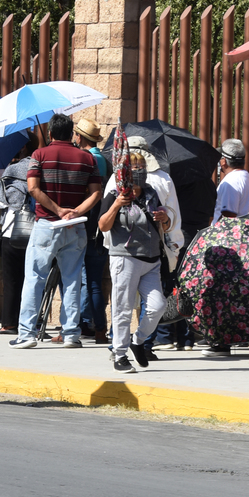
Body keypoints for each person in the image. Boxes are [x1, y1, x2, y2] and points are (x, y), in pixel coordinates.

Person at [10, 114, 102, 349]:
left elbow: (33, 189)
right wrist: (75, 212)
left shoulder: (39, 155)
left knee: (34, 278)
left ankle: (26, 334)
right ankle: (71, 334)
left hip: (47, 225)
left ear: (50, 133)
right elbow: (96, 192)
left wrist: (59, 210)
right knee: (72, 280)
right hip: (76, 226)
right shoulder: (87, 158)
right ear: (72, 134)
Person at [99, 151, 172, 373]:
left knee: (158, 306)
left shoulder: (151, 192)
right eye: (134, 168)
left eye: (142, 167)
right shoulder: (114, 194)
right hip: (125, 258)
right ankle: (120, 354)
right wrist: (116, 205)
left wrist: (165, 219)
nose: (139, 171)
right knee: (123, 308)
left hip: (151, 260)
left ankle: (138, 341)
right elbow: (103, 226)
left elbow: (164, 225)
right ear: (124, 173)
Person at [202, 138, 249, 358]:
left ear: (224, 161)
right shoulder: (247, 178)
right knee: (234, 295)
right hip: (244, 242)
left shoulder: (229, 182)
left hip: (228, 245)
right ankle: (232, 338)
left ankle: (222, 343)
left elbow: (228, 215)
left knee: (222, 294)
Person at [0, 135, 40, 335]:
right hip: (39, 231)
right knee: (34, 280)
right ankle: (33, 323)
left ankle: (9, 323)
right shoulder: (42, 168)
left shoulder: (13, 169)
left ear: (23, 147)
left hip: (12, 231)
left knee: (11, 280)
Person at [70, 118, 110, 344]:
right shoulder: (104, 159)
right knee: (94, 282)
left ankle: (75, 325)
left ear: (80, 137)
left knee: (74, 280)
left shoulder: (86, 159)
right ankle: (99, 329)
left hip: (85, 226)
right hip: (101, 229)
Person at [212, 138, 249, 223]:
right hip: (245, 229)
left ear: (224, 161)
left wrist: (213, 229)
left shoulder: (231, 181)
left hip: (230, 231)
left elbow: (228, 216)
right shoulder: (246, 176)